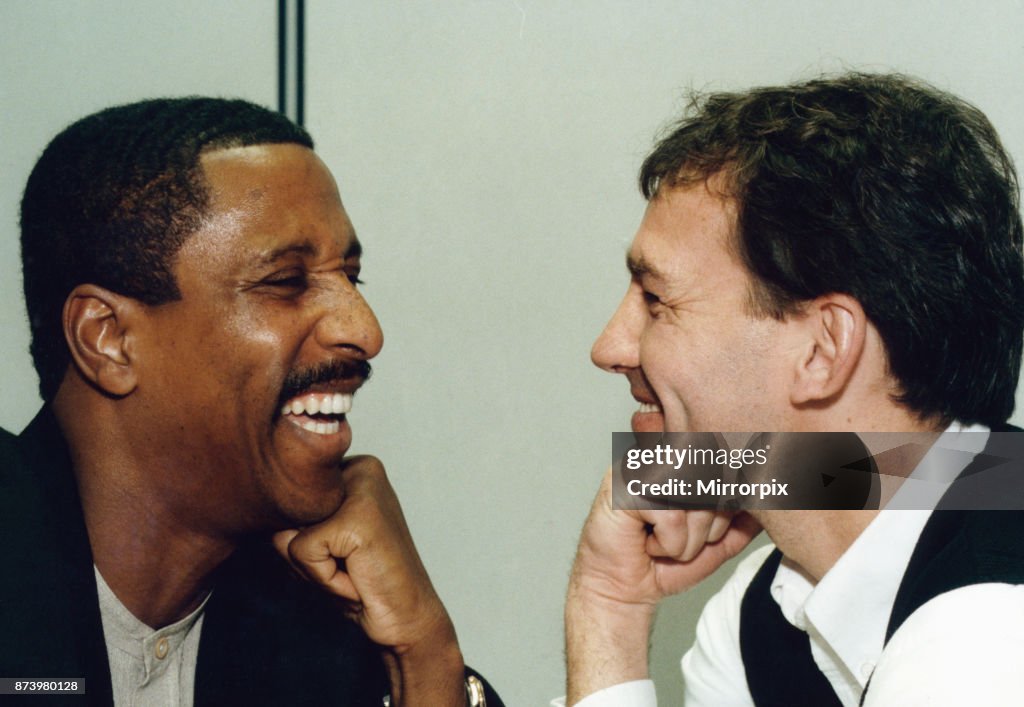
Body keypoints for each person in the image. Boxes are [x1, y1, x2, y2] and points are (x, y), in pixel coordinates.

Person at [1, 97, 500, 706]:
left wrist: (423, 652)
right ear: (108, 339)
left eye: (352, 276)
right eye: (286, 282)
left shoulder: (319, 634)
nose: (364, 330)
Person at [562, 73, 1024, 706]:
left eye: (656, 299)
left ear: (822, 349)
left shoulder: (991, 632)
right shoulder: (769, 603)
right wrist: (608, 603)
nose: (609, 348)